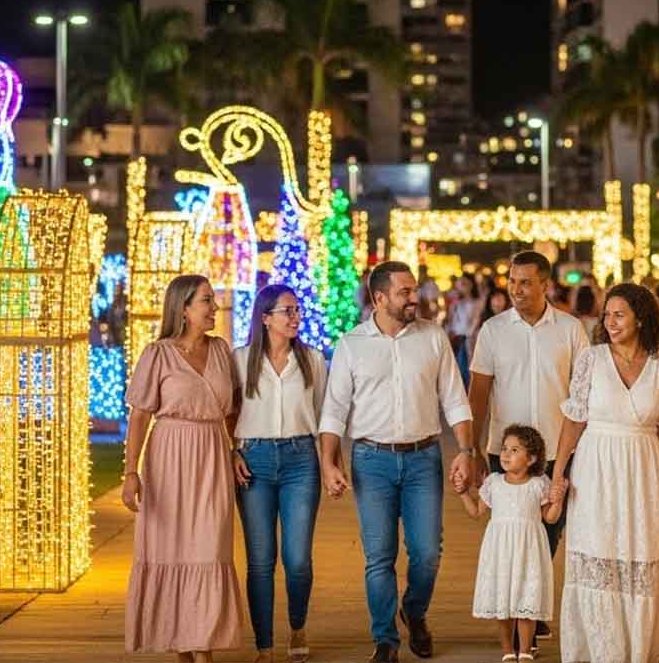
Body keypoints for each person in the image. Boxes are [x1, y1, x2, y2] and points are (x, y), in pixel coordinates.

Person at [319, 261, 475, 663]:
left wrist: (465, 451)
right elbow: (334, 411)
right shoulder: (352, 345)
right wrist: (329, 463)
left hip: (424, 458)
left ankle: (415, 611)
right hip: (371, 460)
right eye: (406, 292)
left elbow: (455, 399)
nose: (414, 297)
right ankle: (385, 639)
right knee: (379, 555)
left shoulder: (433, 337)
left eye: (415, 289)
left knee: (427, 553)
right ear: (379, 298)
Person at [551, 283, 659, 663]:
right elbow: (573, 420)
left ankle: (636, 652)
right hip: (595, 466)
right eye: (607, 315)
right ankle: (597, 650)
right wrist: (558, 475)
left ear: (641, 317)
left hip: (644, 468)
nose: (610, 322)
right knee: (597, 551)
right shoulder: (591, 359)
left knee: (641, 553)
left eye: (619, 314)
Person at [468, 250, 590, 648]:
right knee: (513, 531)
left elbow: (582, 391)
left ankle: (530, 606)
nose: (516, 290)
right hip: (506, 452)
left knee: (549, 534)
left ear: (545, 284)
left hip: (557, 448)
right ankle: (523, 614)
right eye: (512, 282)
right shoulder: (493, 330)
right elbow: (480, 392)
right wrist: (470, 447)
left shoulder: (571, 330)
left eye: (525, 282)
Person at [123, 275, 244, 661]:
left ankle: (201, 644)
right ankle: (184, 646)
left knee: (209, 549)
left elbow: (233, 410)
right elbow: (140, 417)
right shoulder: (157, 354)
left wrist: (235, 448)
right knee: (170, 551)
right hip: (168, 460)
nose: (214, 307)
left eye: (213, 300)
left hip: (211, 458)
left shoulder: (222, 351)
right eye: (206, 300)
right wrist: (131, 473)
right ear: (183, 308)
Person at [231, 284, 328, 663]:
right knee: (260, 560)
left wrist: (329, 463)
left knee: (298, 558)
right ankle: (264, 645)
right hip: (253, 460)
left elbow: (324, 416)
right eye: (287, 310)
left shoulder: (313, 360)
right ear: (265, 317)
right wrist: (232, 450)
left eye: (297, 310)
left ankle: (298, 626)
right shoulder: (240, 360)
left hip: (301, 460)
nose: (295, 316)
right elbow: (227, 411)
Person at [457, 424, 564, 663]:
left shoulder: (539, 483)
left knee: (527, 599)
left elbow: (550, 517)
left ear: (531, 458)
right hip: (500, 551)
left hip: (529, 551)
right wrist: (464, 493)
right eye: (504, 448)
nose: (505, 454)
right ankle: (507, 650)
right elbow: (476, 511)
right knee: (502, 602)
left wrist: (557, 500)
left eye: (514, 450)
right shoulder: (494, 482)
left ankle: (525, 650)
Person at [447, 273, 481, 388]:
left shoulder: (476, 302)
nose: (462, 286)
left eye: (465, 283)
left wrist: (469, 336)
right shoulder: (455, 302)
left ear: (471, 285)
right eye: (460, 284)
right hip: (456, 338)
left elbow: (475, 321)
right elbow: (451, 321)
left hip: (468, 339)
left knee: (466, 370)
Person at [471, 286, 511, 353]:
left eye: (500, 299)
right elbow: (473, 337)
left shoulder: (511, 319)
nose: (497, 302)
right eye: (494, 298)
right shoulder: (484, 320)